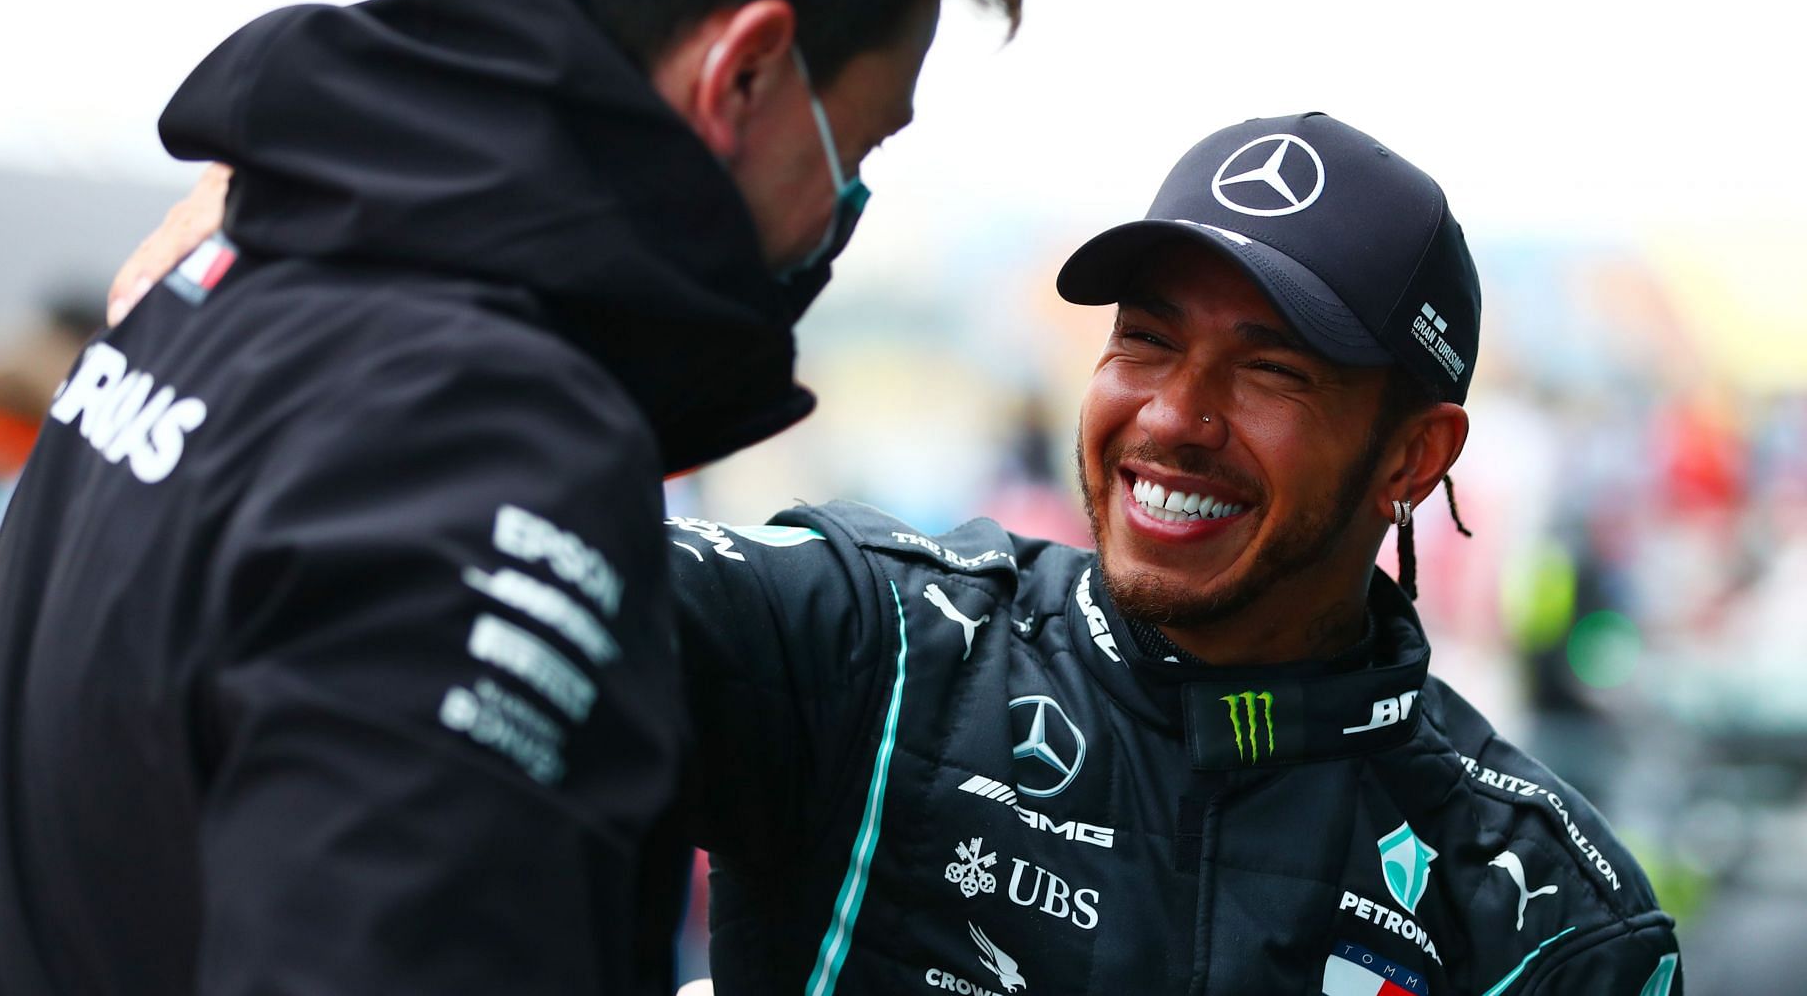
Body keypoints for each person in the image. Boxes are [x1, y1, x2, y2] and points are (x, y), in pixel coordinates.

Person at [0, 0, 1031, 992]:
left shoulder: (221, 267)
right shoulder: (487, 434)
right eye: (862, 151)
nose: (840, 212)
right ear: (747, 74)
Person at [108, 113, 1685, 994]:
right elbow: (483, 573)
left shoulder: (1544, 910)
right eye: (1145, 340)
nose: (1176, 416)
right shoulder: (882, 647)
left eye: (1272, 370)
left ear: (1417, 455)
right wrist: (284, 305)